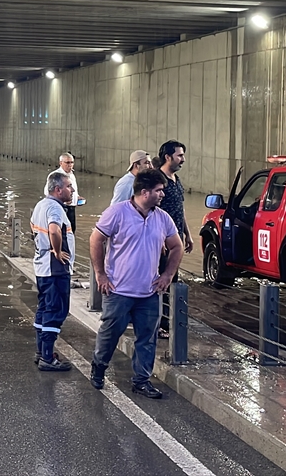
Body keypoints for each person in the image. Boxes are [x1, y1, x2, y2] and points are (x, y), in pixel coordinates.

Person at [87, 170, 184, 398]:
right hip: (118, 291)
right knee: (110, 334)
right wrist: (100, 274)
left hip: (149, 292)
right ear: (144, 192)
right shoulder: (117, 213)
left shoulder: (162, 218)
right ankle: (99, 368)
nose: (162, 194)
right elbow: (96, 239)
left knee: (147, 340)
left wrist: (167, 275)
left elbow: (177, 247)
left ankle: (141, 381)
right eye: (159, 190)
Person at [30, 171, 76, 372]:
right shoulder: (54, 208)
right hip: (55, 268)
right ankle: (47, 358)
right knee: (56, 311)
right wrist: (57, 252)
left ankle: (42, 351)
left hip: (42, 267)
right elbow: (55, 230)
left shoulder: (41, 205)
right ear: (58, 190)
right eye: (69, 187)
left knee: (44, 309)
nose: (72, 190)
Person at [154, 140, 190, 338]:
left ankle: (166, 322)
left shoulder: (176, 179)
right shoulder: (157, 180)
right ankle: (157, 323)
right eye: (179, 155)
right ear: (168, 157)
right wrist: (158, 239)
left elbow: (180, 209)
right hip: (161, 242)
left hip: (176, 240)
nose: (183, 159)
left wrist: (188, 235)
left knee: (171, 279)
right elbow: (152, 211)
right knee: (159, 280)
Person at [47, 153, 80, 235]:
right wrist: (63, 201)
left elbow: (73, 189)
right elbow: (48, 192)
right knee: (63, 232)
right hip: (62, 207)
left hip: (72, 208)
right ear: (61, 163)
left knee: (71, 231)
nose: (70, 165)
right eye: (67, 163)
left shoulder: (71, 175)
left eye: (72, 162)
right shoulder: (55, 176)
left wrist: (77, 197)